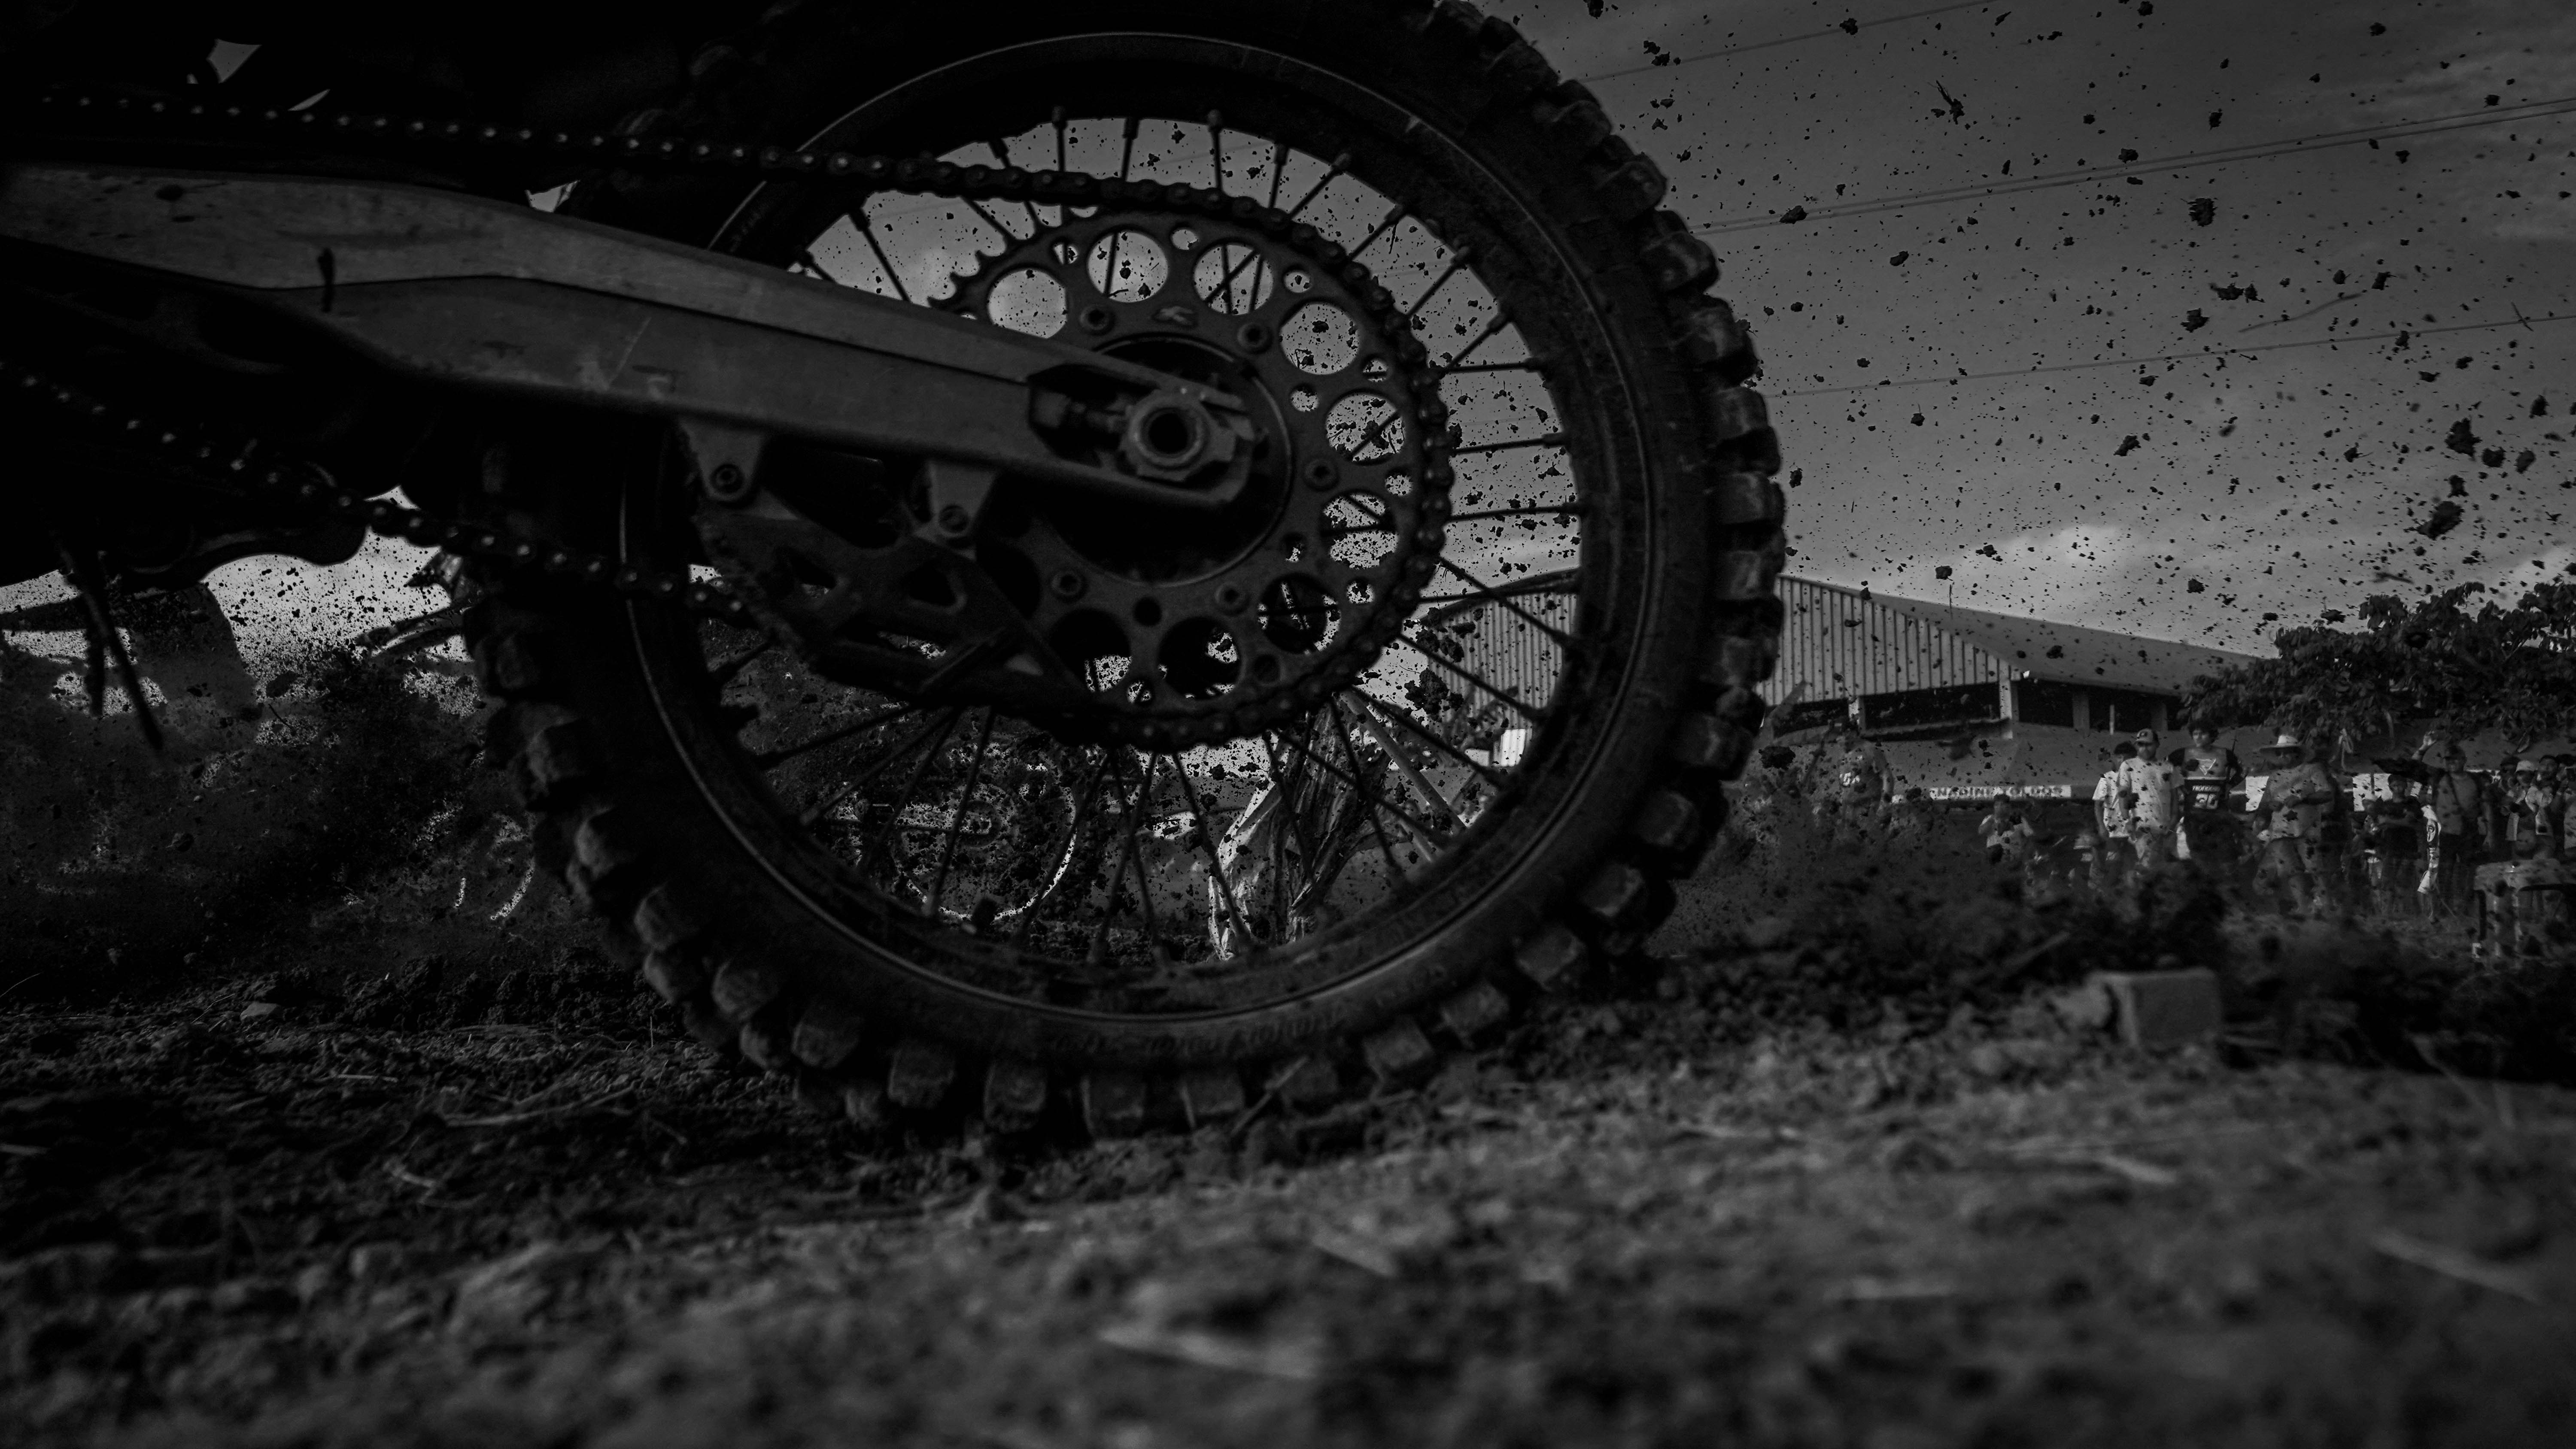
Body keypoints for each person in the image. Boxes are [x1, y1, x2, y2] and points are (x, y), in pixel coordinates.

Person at [2251, 733, 2341, 916]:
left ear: (2296, 754)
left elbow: (2327, 793)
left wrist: (2302, 798)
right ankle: (2303, 908)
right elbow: (2264, 804)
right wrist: (2270, 805)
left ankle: (2327, 907)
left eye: (2287, 753)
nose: (2283, 757)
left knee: (2316, 868)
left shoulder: (2311, 770)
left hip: (2306, 829)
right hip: (2279, 831)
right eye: (2280, 754)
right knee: (2291, 871)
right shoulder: (2274, 776)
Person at [2419, 732, 2483, 918]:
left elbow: (2486, 808)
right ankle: (2440, 911)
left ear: (2463, 760)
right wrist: (2424, 748)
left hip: (2468, 834)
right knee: (2443, 874)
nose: (2451, 763)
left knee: (2468, 874)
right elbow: (2414, 766)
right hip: (2445, 834)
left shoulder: (2476, 781)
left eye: (2455, 759)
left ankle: (2466, 911)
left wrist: (2489, 834)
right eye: (2448, 760)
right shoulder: (2439, 778)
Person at [2113, 728, 2183, 872]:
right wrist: (2127, 821)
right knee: (2147, 870)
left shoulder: (2168, 768)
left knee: (2165, 870)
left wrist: (2173, 823)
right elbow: (2123, 795)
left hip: (2166, 828)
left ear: (2157, 745)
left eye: (2148, 744)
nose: (2144, 748)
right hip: (2142, 828)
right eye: (2141, 745)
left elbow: (2175, 798)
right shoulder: (2128, 766)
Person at [2177, 723, 2245, 866]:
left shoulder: (2225, 754)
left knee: (2224, 853)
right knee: (2198, 855)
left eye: (2203, 733)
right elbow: (2163, 770)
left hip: (2219, 814)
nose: (2199, 737)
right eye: (2195, 734)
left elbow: (2244, 770)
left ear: (2212, 736)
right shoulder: (2183, 753)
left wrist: (2230, 785)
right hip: (2194, 815)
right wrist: (2179, 786)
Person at [2092, 742, 2137, 892]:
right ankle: (2106, 897)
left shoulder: (2138, 779)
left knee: (2132, 869)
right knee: (2113, 868)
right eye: (2123, 759)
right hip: (2113, 832)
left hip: (2133, 832)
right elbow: (2098, 805)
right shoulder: (2107, 778)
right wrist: (2101, 827)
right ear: (2118, 759)